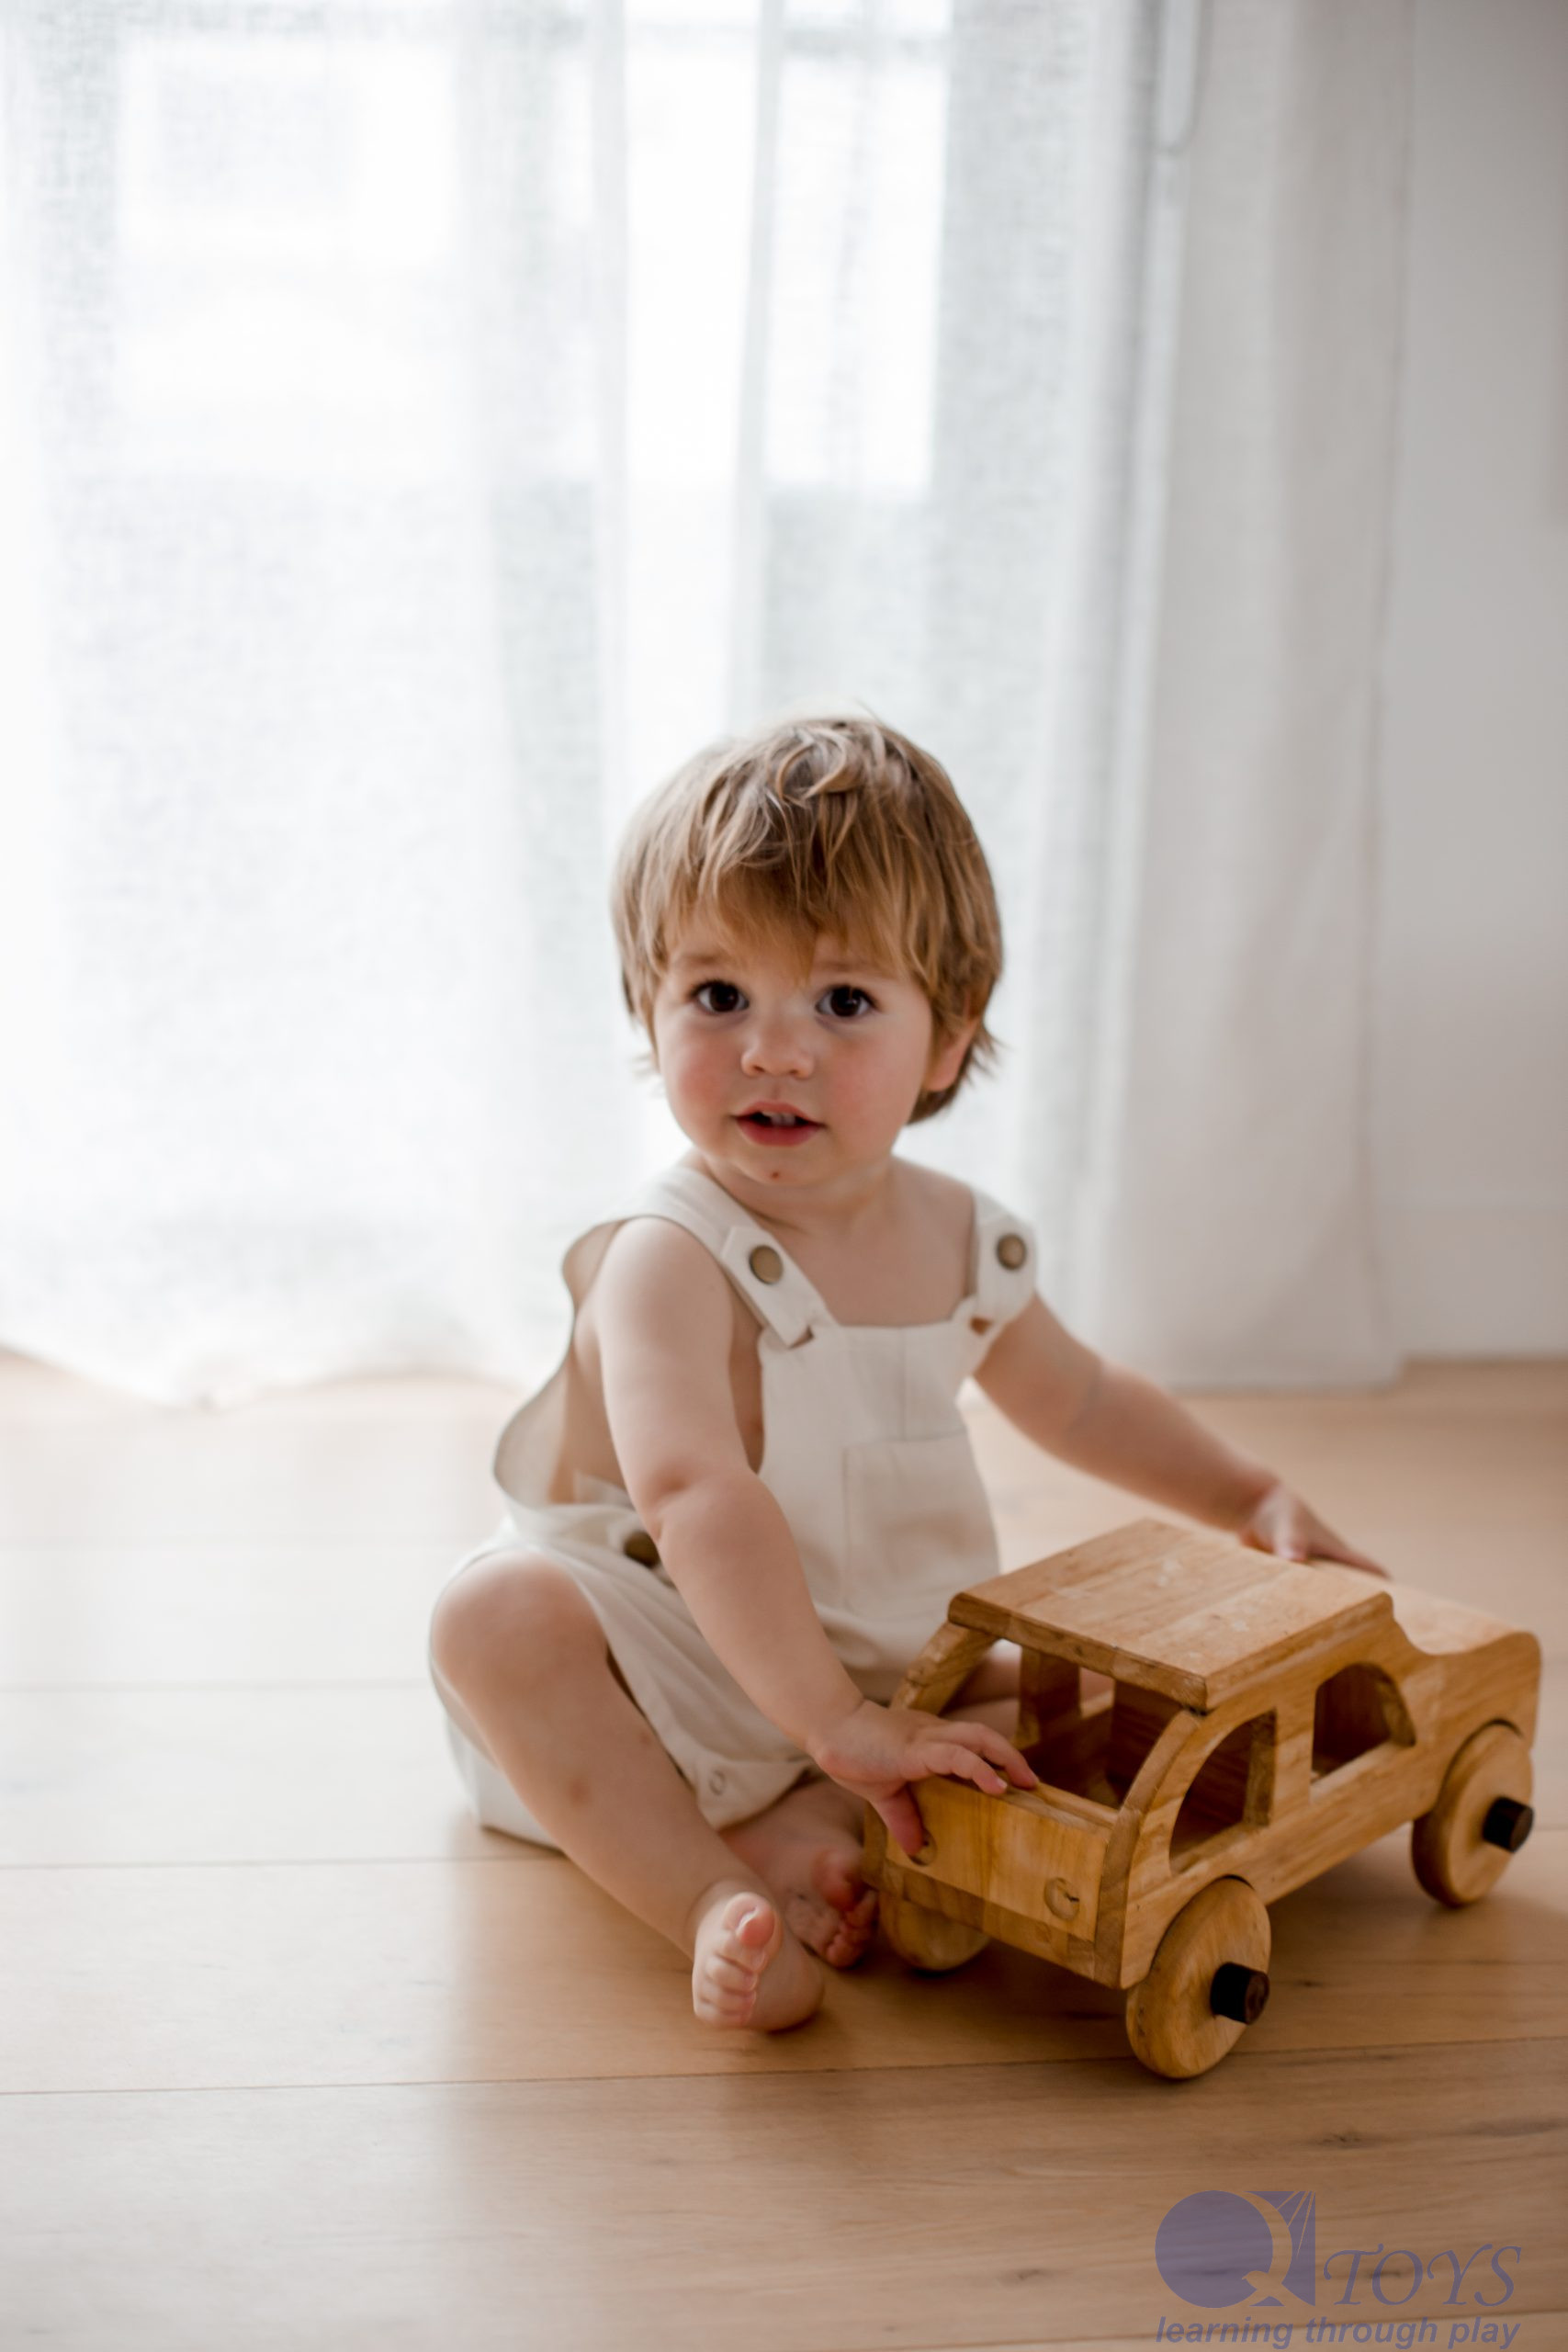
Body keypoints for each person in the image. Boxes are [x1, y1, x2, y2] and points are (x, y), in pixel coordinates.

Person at [428, 714, 1385, 2036]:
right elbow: (696, 1489)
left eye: (841, 1001)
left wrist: (1250, 1494)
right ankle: (709, 1893)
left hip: (895, 1666)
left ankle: (810, 1819)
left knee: (1118, 1685)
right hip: (677, 1666)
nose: (773, 1049)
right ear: (649, 1008)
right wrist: (824, 1717)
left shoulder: (960, 1240)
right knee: (495, 1620)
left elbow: (1086, 1400)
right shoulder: (670, 1257)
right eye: (719, 997)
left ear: (946, 1043)